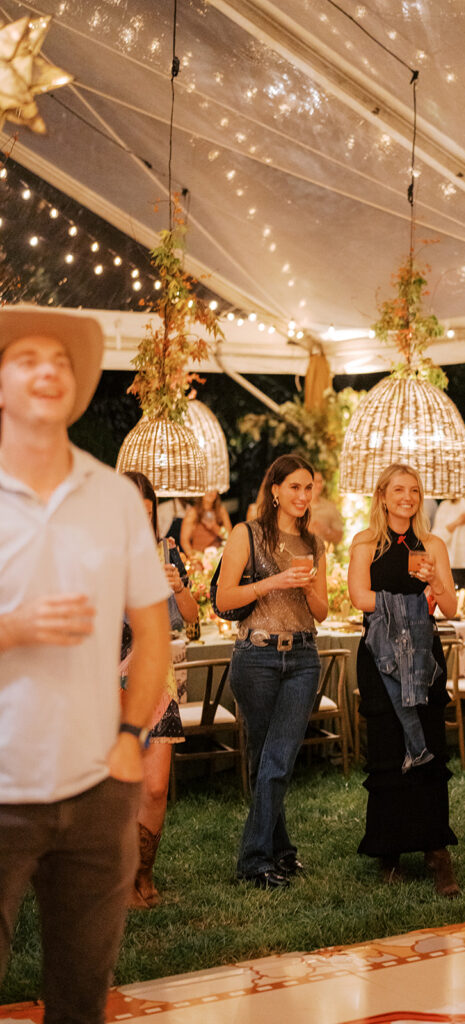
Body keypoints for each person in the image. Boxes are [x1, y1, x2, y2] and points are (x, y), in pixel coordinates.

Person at [0, 306, 170, 1021]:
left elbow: (154, 633)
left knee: (81, 1000)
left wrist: (131, 739)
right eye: (27, 357)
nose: (48, 370)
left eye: (61, 361)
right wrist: (14, 628)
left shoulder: (112, 496)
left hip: (99, 790)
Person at [215, 454, 328, 890]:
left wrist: (310, 587)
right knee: (267, 760)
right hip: (256, 655)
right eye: (294, 487)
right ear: (275, 490)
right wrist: (272, 583)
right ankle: (272, 855)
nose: (302, 495)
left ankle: (258, 857)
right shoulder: (248, 534)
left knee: (278, 758)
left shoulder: (315, 544)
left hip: (302, 656)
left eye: (308, 487)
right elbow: (225, 600)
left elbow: (320, 611)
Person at [347, 463, 460, 897]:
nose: (407, 497)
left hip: (424, 658)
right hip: (379, 659)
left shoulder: (432, 545)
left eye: (414, 490)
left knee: (429, 746)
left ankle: (437, 850)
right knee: (388, 748)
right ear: (383, 495)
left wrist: (435, 582)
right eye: (399, 490)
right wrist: (413, 603)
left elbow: (448, 608)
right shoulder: (365, 544)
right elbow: (359, 597)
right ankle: (389, 850)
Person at [122, 471, 199, 908]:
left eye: (146, 507)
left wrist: (178, 586)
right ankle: (120, 880)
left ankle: (144, 873)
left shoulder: (167, 551)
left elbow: (189, 617)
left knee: (155, 788)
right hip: (111, 678)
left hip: (158, 679)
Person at [180, 489, 232, 560]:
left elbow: (230, 537)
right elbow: (184, 540)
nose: (210, 493)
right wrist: (194, 557)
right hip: (199, 558)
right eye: (207, 489)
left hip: (218, 557)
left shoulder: (221, 511)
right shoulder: (193, 513)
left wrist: (214, 527)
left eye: (213, 489)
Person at [307, 470, 344, 548]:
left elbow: (339, 537)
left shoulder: (331, 507)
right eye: (316, 481)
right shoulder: (297, 505)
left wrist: (326, 531)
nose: (319, 485)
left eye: (321, 481)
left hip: (321, 556)